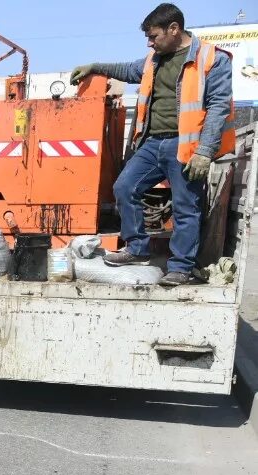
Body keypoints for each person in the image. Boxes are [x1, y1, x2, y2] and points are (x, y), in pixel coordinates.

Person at [70, 3, 235, 286]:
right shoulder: (153, 59)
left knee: (186, 207)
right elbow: (126, 69)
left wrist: (205, 152)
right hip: (151, 144)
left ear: (174, 29)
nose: (150, 42)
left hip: (186, 147)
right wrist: (96, 67)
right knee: (124, 187)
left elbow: (219, 107)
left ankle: (181, 267)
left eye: (153, 36)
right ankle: (136, 248)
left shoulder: (212, 59)